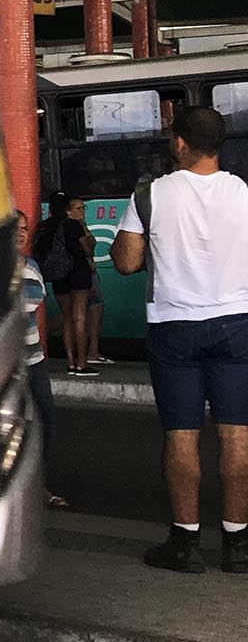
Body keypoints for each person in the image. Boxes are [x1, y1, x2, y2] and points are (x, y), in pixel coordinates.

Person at [113, 104, 248, 574]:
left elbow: (126, 262)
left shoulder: (151, 194)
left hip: (174, 327)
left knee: (182, 434)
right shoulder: (244, 193)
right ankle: (238, 544)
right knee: (237, 433)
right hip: (236, 322)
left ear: (179, 143)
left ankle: (185, 544)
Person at [34, 190, 99, 376]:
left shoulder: (47, 226)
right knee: (80, 317)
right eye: (79, 208)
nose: (82, 212)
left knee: (68, 317)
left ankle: (70, 362)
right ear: (68, 210)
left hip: (58, 275)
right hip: (78, 272)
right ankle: (82, 363)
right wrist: (84, 228)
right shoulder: (73, 225)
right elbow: (88, 248)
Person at [21, 247, 67, 508]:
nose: (21, 234)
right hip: (8, 361)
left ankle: (37, 484)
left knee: (44, 420)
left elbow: (33, 301)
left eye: (25, 229)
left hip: (34, 359)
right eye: (16, 229)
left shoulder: (32, 265)